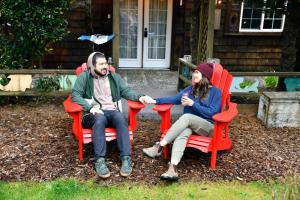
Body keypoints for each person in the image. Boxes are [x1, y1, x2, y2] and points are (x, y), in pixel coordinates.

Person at [72, 52, 154, 179]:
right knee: (99, 120)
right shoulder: (84, 77)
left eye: (106, 63)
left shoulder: (113, 77)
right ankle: (100, 161)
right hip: (93, 113)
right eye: (101, 64)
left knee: (121, 118)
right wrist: (90, 108)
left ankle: (126, 159)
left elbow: (126, 91)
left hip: (111, 111)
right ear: (92, 66)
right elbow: (75, 95)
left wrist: (140, 96)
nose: (105, 66)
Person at [143, 63, 221, 181]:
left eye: (197, 72)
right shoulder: (190, 90)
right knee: (183, 132)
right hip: (190, 125)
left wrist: (192, 104)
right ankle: (172, 168)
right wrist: (154, 100)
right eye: (194, 72)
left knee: (187, 117)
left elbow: (213, 113)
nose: (193, 74)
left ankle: (160, 146)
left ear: (205, 76)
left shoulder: (216, 92)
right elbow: (173, 99)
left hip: (208, 127)